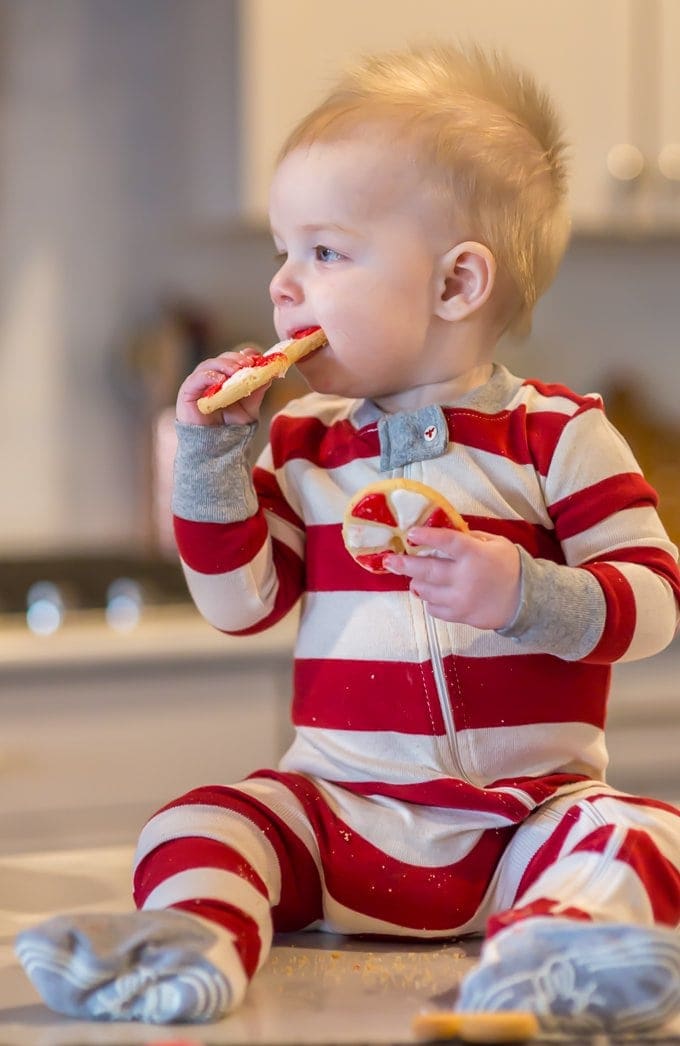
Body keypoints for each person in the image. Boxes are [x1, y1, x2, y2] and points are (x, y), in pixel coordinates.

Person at [16, 42, 680, 1033]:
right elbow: (239, 602)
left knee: (641, 831)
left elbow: (653, 604)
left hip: (521, 821)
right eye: (283, 251)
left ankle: (553, 952)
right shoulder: (303, 444)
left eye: (323, 253)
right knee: (201, 817)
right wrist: (210, 465)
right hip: (335, 813)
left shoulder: (556, 434)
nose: (284, 285)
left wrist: (522, 593)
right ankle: (188, 945)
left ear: (455, 285)